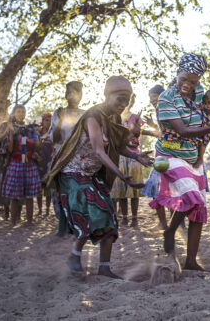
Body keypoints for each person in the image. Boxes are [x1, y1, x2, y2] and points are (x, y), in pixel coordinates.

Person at [45, 75, 153, 278]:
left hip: (93, 174)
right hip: (73, 173)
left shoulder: (114, 119)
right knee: (90, 215)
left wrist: (136, 155)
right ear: (106, 95)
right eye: (119, 98)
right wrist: (121, 174)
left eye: (126, 99)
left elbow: (118, 147)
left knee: (109, 218)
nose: (123, 103)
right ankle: (75, 256)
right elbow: (98, 150)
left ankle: (104, 268)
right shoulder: (92, 116)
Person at [149, 53, 210, 271]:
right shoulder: (167, 98)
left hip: (192, 157)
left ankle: (190, 261)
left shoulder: (200, 94)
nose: (187, 84)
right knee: (191, 197)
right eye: (183, 79)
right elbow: (183, 131)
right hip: (169, 156)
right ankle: (170, 231)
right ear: (177, 73)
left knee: (199, 209)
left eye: (193, 81)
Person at [111, 93, 158, 227]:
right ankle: (125, 217)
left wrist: (153, 127)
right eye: (127, 99)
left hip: (135, 155)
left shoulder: (135, 118)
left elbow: (142, 132)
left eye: (131, 100)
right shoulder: (115, 117)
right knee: (122, 190)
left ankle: (135, 218)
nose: (129, 102)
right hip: (120, 156)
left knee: (134, 190)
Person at [49, 81, 85, 235]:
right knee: (62, 192)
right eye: (71, 92)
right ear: (66, 95)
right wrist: (60, 121)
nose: (74, 95)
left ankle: (77, 225)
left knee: (78, 192)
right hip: (62, 158)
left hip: (80, 158)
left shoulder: (85, 114)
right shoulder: (59, 113)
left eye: (78, 92)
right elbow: (55, 139)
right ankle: (63, 225)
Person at [1, 104, 41, 226]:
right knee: (14, 195)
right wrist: (12, 134)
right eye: (18, 111)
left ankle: (29, 221)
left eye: (23, 111)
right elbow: (8, 148)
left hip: (29, 163)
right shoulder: (10, 127)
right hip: (16, 163)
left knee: (29, 195)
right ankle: (13, 221)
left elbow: (37, 144)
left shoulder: (30, 128)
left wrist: (33, 141)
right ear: (13, 113)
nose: (21, 114)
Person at [141, 85, 169, 229]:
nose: (152, 99)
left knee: (164, 187)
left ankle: (168, 223)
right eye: (150, 96)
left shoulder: (167, 109)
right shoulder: (160, 110)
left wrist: (141, 132)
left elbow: (164, 134)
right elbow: (162, 132)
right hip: (162, 152)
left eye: (155, 95)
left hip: (168, 153)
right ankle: (163, 223)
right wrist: (153, 125)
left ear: (162, 95)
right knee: (157, 187)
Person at [36, 113, 53, 217]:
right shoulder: (38, 133)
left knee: (47, 187)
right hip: (40, 163)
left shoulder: (53, 133)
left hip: (50, 163)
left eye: (50, 120)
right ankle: (39, 209)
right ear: (43, 121)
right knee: (39, 187)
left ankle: (47, 209)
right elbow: (36, 147)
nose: (49, 122)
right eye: (47, 120)